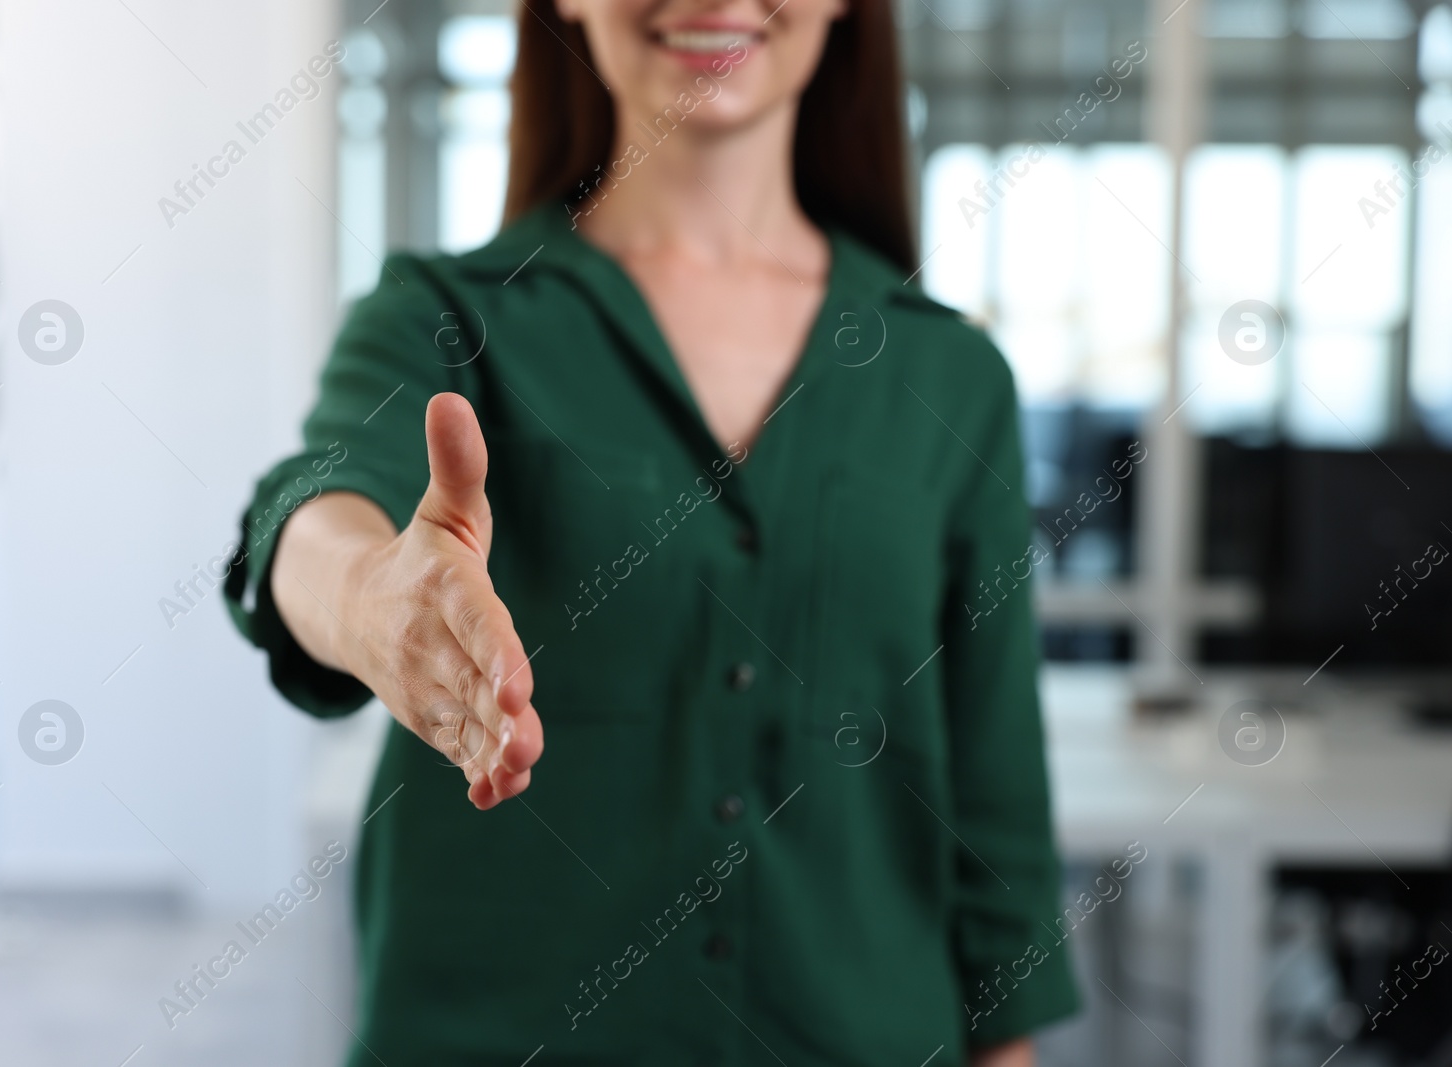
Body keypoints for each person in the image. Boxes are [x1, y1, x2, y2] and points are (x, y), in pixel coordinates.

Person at [224, 0, 1080, 1062]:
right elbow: (317, 504)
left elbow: (995, 832)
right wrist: (365, 599)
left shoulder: (952, 376)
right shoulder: (441, 319)